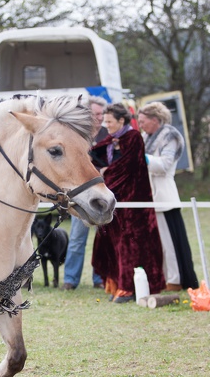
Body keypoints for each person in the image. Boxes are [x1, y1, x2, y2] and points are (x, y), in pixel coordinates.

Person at [91, 103, 165, 302]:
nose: (106, 125)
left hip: (133, 204)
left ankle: (129, 288)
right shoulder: (111, 139)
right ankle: (116, 284)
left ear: (121, 121)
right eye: (105, 121)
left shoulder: (133, 138)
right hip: (115, 202)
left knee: (130, 245)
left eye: (109, 121)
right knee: (111, 242)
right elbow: (94, 156)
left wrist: (105, 174)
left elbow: (127, 168)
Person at [137, 102, 199, 291]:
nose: (141, 125)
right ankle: (162, 277)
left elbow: (164, 165)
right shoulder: (145, 136)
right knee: (156, 243)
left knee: (169, 243)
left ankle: (175, 279)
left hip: (164, 195)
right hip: (148, 196)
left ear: (155, 120)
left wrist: (143, 157)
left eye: (143, 121)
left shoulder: (170, 136)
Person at [61, 95, 109, 290]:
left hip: (104, 192)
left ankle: (100, 278)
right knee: (76, 239)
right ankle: (70, 280)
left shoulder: (108, 133)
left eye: (102, 114)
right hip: (82, 193)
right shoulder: (79, 134)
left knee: (103, 239)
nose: (100, 117)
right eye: (97, 113)